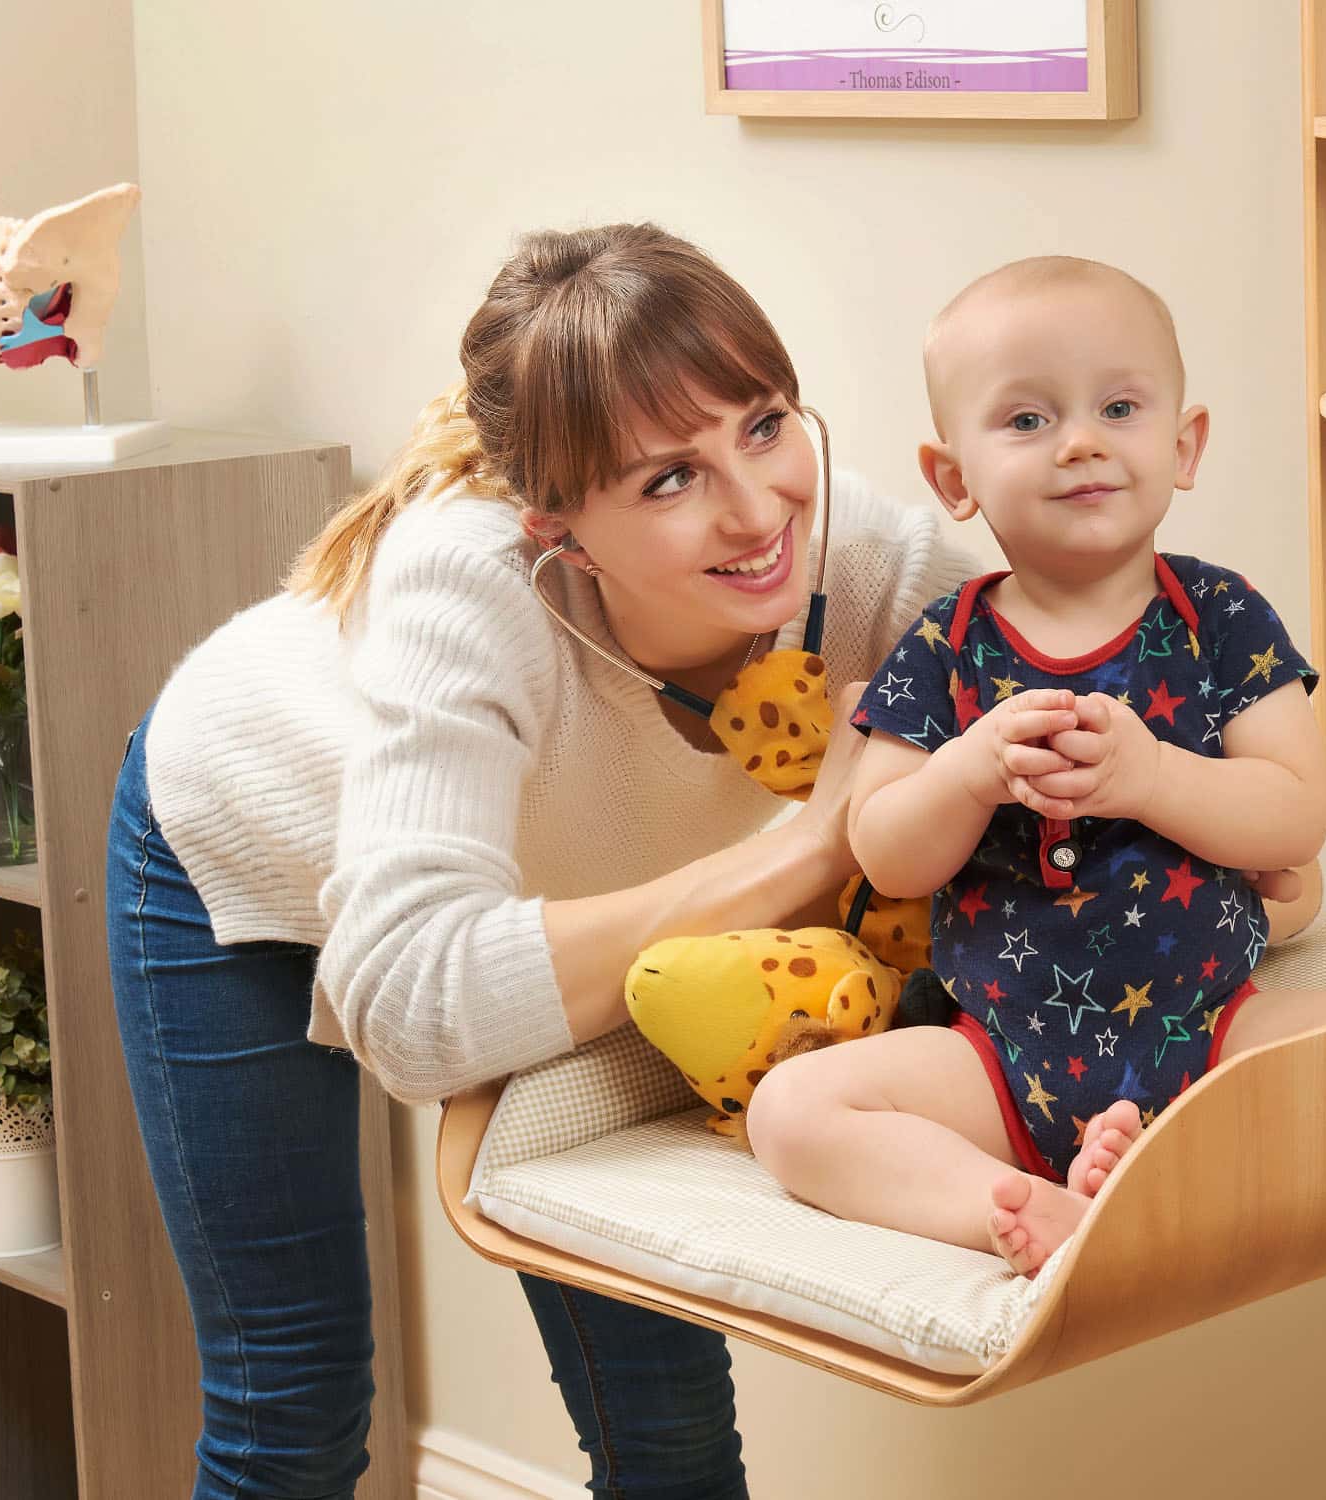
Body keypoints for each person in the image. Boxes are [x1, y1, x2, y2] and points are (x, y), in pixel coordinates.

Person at [103, 221, 979, 1499]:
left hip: (552, 917)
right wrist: (809, 846)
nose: (756, 510)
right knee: (292, 1409)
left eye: (764, 423)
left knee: (672, 1438)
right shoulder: (470, 584)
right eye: (666, 481)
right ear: (557, 527)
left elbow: (1097, 697)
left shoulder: (875, 568)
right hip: (241, 841)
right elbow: (410, 1011)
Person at [745, 255, 1326, 1278]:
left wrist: (1152, 778)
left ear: (1182, 448)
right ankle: (1024, 1203)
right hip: (1000, 1055)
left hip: (1211, 1030)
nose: (1080, 442)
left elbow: (1293, 820)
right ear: (952, 479)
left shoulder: (1219, 618)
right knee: (792, 1111)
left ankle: (1158, 1173)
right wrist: (964, 775)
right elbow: (884, 853)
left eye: (1118, 407)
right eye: (1027, 421)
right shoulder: (945, 644)